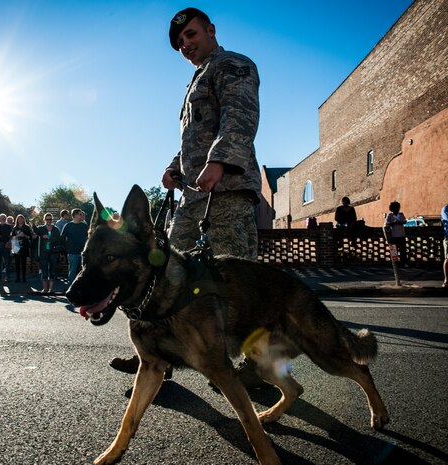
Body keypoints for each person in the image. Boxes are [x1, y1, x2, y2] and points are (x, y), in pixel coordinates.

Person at [111, 8, 265, 388]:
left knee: (236, 278)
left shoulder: (232, 64)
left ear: (211, 30)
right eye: (180, 42)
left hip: (227, 190)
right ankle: (154, 355)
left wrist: (219, 161)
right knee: (162, 269)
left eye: (191, 35)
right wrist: (174, 168)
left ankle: (256, 365)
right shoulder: (197, 80)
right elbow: (195, 137)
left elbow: (240, 117)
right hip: (194, 196)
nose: (186, 45)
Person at [32, 213, 62, 295]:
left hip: (53, 253)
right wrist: (33, 224)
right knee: (44, 271)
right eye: (47, 219)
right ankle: (45, 289)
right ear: (44, 220)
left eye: (50, 219)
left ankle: (51, 289)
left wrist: (49, 238)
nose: (48, 221)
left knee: (52, 271)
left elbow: (59, 239)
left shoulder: (56, 229)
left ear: (52, 220)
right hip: (43, 253)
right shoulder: (41, 228)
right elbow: (36, 231)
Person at [61, 208, 89, 282]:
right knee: (72, 271)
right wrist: (67, 248)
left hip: (83, 253)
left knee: (83, 272)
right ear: (75, 215)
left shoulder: (84, 226)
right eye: (80, 214)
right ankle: (71, 289)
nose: (82, 215)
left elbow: (89, 237)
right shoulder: (68, 226)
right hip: (72, 253)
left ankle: (81, 289)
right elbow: (62, 238)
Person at [384, 201, 408, 267]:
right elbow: (387, 224)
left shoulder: (401, 214)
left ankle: (403, 263)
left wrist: (400, 222)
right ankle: (395, 264)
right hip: (393, 235)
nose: (398, 208)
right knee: (394, 250)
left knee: (403, 250)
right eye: (396, 207)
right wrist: (393, 223)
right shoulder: (390, 215)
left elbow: (405, 221)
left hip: (401, 235)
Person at [12, 214, 33, 283]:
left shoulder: (27, 227)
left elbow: (30, 237)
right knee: (17, 263)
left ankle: (24, 278)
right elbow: (12, 237)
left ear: (24, 220)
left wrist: (24, 235)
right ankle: (18, 278)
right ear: (17, 220)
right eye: (19, 219)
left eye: (21, 219)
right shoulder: (15, 228)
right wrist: (18, 235)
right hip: (16, 247)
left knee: (23, 263)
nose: (20, 220)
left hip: (24, 247)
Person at [0, 213, 12, 283]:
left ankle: (7, 277)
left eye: (4, 218)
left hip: (6, 245)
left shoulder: (8, 226)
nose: (2, 220)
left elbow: (9, 235)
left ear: (5, 219)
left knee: (7, 262)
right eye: (1, 218)